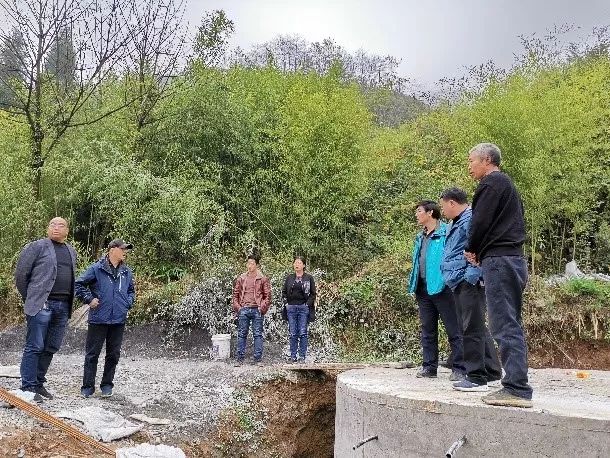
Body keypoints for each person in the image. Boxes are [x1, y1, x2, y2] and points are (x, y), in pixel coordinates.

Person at [465, 142, 533, 408]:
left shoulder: (491, 184)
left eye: (472, 161)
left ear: (487, 160)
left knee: (504, 324)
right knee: (510, 322)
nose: (469, 167)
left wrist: (472, 248)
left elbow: (479, 222)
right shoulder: (508, 187)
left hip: (500, 261)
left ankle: (516, 388)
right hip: (511, 258)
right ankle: (516, 384)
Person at [439, 187, 502, 392]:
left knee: (470, 328)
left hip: (467, 281)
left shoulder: (470, 221)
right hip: (457, 280)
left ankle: (476, 376)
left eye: (443, 206)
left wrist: (470, 277)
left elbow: (478, 248)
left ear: (452, 203)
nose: (442, 210)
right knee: (476, 326)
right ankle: (492, 370)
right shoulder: (454, 222)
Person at [15, 217, 77, 403]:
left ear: (67, 230)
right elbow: (21, 275)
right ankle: (27, 386)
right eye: (52, 224)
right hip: (42, 304)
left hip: (63, 305)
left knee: (51, 346)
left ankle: (38, 383)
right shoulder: (37, 247)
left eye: (61, 225)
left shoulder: (71, 251)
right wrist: (32, 299)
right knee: (35, 345)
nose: (56, 228)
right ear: (47, 228)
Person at [408, 201, 465, 380]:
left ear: (430, 213)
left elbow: (456, 256)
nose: (417, 215)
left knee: (453, 329)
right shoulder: (421, 236)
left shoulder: (447, 232)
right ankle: (429, 367)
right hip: (423, 288)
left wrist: (450, 279)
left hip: (444, 288)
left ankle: (460, 368)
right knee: (427, 329)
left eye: (419, 211)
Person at [75, 239, 135, 398]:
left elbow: (131, 291)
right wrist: (89, 299)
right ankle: (87, 388)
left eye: (126, 250)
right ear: (112, 250)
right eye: (123, 249)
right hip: (98, 318)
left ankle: (107, 386)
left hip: (118, 320)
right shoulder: (96, 269)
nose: (125, 252)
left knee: (113, 355)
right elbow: (78, 284)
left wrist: (127, 303)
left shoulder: (126, 272)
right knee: (92, 354)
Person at [232, 254, 271, 365]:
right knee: (242, 334)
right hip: (244, 309)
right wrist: (239, 308)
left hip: (256, 310)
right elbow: (235, 295)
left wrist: (261, 307)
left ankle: (258, 359)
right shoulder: (242, 278)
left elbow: (267, 296)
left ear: (257, 265)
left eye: (252, 263)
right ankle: (239, 359)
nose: (249, 266)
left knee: (257, 334)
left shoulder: (262, 278)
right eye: (248, 263)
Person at [282, 256, 317, 363]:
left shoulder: (309, 278)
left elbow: (313, 293)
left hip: (303, 307)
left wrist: (307, 305)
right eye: (295, 262)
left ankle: (302, 356)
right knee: (293, 333)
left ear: (304, 265)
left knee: (302, 332)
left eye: (299, 262)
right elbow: (283, 292)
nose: (296, 264)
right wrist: (286, 304)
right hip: (291, 308)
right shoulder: (289, 278)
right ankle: (293, 355)